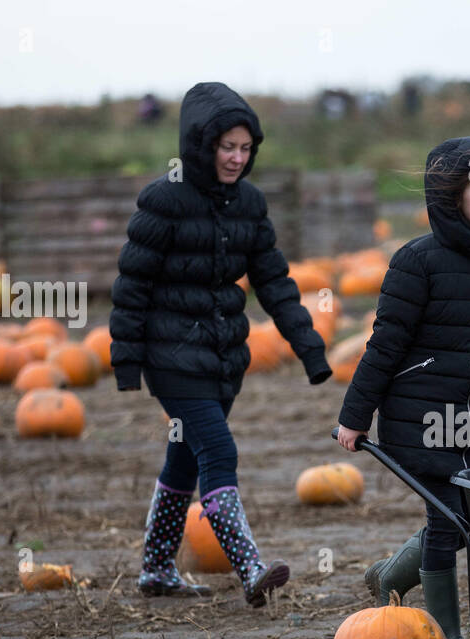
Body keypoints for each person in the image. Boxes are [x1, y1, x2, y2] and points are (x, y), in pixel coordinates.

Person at [110, 82, 332, 606]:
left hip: (224, 359)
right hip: (172, 357)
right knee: (218, 449)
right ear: (200, 145)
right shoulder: (164, 200)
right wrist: (127, 362)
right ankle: (249, 566)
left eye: (245, 148)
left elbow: (274, 283)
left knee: (184, 461)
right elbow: (131, 285)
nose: (236, 158)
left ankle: (157, 570)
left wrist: (310, 349)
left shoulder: (249, 204)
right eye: (225, 147)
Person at [336, 137, 470, 639]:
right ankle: (450, 638)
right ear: (452, 196)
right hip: (419, 415)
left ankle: (390, 575)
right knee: (448, 520)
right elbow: (385, 345)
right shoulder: (416, 263)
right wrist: (354, 417)